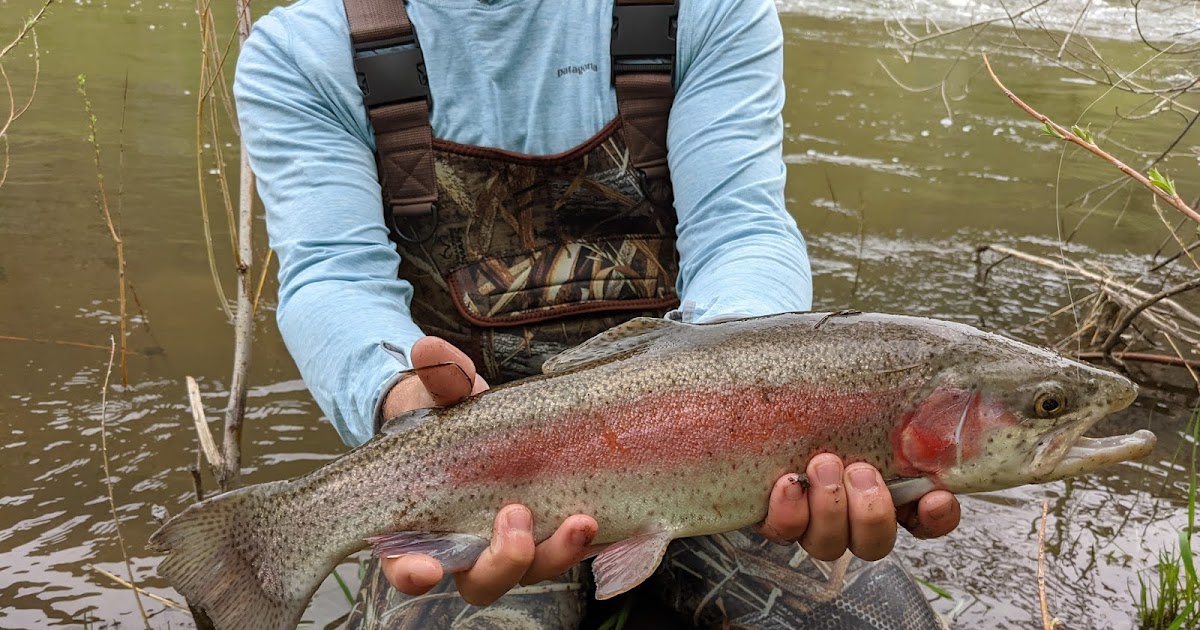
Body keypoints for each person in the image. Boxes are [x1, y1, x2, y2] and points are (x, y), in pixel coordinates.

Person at [233, 0, 962, 627]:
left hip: (706, 445)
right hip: (479, 462)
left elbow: (741, 228)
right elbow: (332, 276)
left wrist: (757, 398)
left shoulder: (704, 12)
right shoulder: (305, 50)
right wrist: (402, 395)